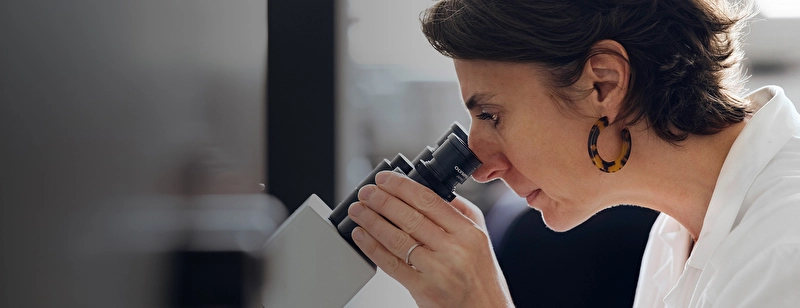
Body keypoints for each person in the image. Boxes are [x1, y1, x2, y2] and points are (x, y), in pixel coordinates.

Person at [345, 0, 800, 307]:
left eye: (491, 114)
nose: (481, 166)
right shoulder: (677, 234)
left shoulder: (784, 249)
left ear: (603, 84)